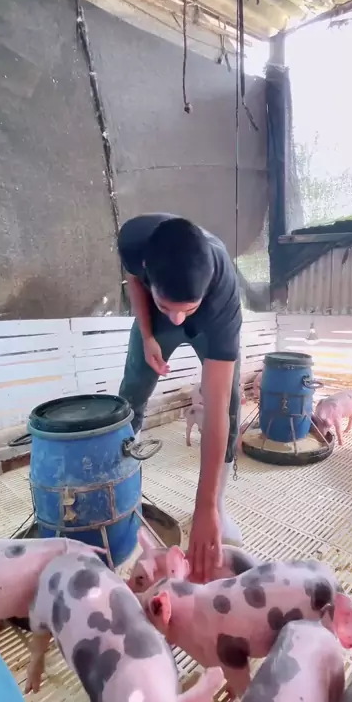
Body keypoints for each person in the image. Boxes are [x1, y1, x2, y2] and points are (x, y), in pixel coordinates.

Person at [118, 213, 243, 583]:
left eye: (186, 309)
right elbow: (135, 281)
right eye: (168, 307)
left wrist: (205, 507)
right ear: (147, 268)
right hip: (153, 316)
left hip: (209, 321)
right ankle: (120, 492)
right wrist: (147, 334)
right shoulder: (134, 240)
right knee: (132, 392)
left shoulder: (222, 296)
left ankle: (219, 502)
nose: (177, 319)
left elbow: (215, 407)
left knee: (230, 405)